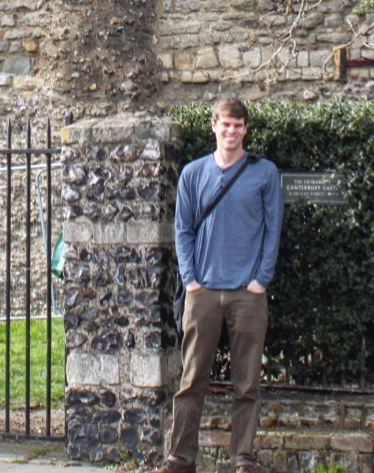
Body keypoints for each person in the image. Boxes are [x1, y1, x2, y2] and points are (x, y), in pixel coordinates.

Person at [150, 96, 284, 473]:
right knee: (191, 379)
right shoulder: (193, 174)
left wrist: (262, 279)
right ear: (214, 126)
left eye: (238, 126)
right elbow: (183, 230)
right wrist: (191, 280)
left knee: (247, 383)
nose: (232, 131)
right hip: (203, 292)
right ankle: (180, 458)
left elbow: (273, 229)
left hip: (248, 293)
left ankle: (243, 457)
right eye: (226, 124)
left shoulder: (264, 173)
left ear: (245, 130)